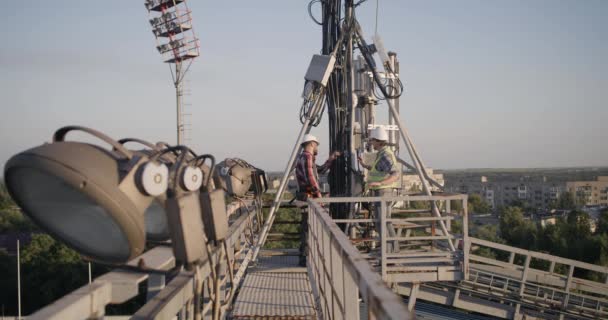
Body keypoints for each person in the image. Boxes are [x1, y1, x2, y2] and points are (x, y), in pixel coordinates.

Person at [295, 134, 340, 266]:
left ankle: (306, 257)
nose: (317, 148)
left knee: (307, 227)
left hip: (306, 197)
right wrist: (319, 195)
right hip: (308, 198)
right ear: (312, 144)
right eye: (316, 145)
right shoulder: (307, 157)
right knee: (308, 228)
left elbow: (318, 171)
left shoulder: (305, 158)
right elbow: (311, 179)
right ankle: (305, 258)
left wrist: (330, 160)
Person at [357, 127, 400, 253]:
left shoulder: (385, 154)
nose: (371, 143)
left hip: (383, 192)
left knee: (382, 223)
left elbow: (395, 174)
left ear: (378, 141)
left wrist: (380, 183)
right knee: (386, 222)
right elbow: (379, 169)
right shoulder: (382, 153)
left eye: (372, 141)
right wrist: (364, 165)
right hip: (382, 192)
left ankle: (387, 253)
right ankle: (393, 251)